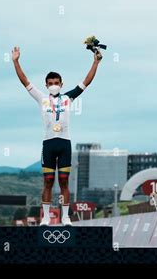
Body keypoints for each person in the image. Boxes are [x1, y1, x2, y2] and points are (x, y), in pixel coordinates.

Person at [11, 46, 102, 226]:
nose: (53, 85)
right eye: (50, 82)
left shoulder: (69, 98)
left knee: (64, 181)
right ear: (46, 85)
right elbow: (24, 80)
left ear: (61, 84)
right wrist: (16, 61)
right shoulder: (41, 98)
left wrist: (96, 62)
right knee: (48, 181)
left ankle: (66, 217)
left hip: (65, 143)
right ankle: (45, 217)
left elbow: (86, 82)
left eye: (56, 82)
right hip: (48, 144)